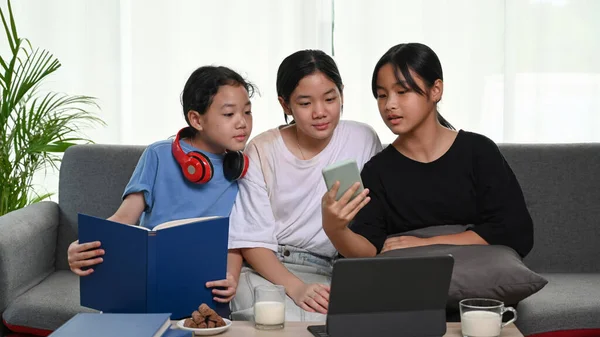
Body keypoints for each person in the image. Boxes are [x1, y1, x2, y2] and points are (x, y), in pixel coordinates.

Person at [66, 65, 256, 307]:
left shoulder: (242, 168)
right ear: (196, 119)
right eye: (229, 114)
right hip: (149, 276)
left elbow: (237, 241)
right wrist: (82, 245)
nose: (242, 123)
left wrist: (231, 277)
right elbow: (124, 217)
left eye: (247, 112)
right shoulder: (159, 154)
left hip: (205, 284)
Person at [322, 42, 534, 260]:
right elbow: (367, 250)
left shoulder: (479, 152)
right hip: (411, 287)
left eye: (402, 91)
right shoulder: (377, 171)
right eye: (382, 95)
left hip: (479, 282)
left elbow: (516, 231)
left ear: (435, 90)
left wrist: (426, 244)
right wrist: (335, 229)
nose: (389, 105)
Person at [227, 49, 383, 321]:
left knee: (356, 322)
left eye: (330, 98)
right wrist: (296, 288)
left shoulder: (363, 138)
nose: (320, 112)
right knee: (275, 319)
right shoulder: (262, 150)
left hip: (334, 269)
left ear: (342, 94)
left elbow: (374, 222)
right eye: (305, 103)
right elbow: (251, 239)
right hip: (272, 268)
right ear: (285, 105)